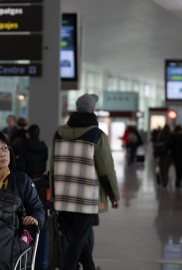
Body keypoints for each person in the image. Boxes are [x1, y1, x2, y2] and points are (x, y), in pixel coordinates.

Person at [49, 93, 120, 270]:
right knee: (77, 242)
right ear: (93, 110)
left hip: (64, 197)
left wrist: (54, 196)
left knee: (79, 238)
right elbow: (106, 170)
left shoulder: (59, 133)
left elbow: (53, 167)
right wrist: (113, 196)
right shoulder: (96, 135)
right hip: (86, 199)